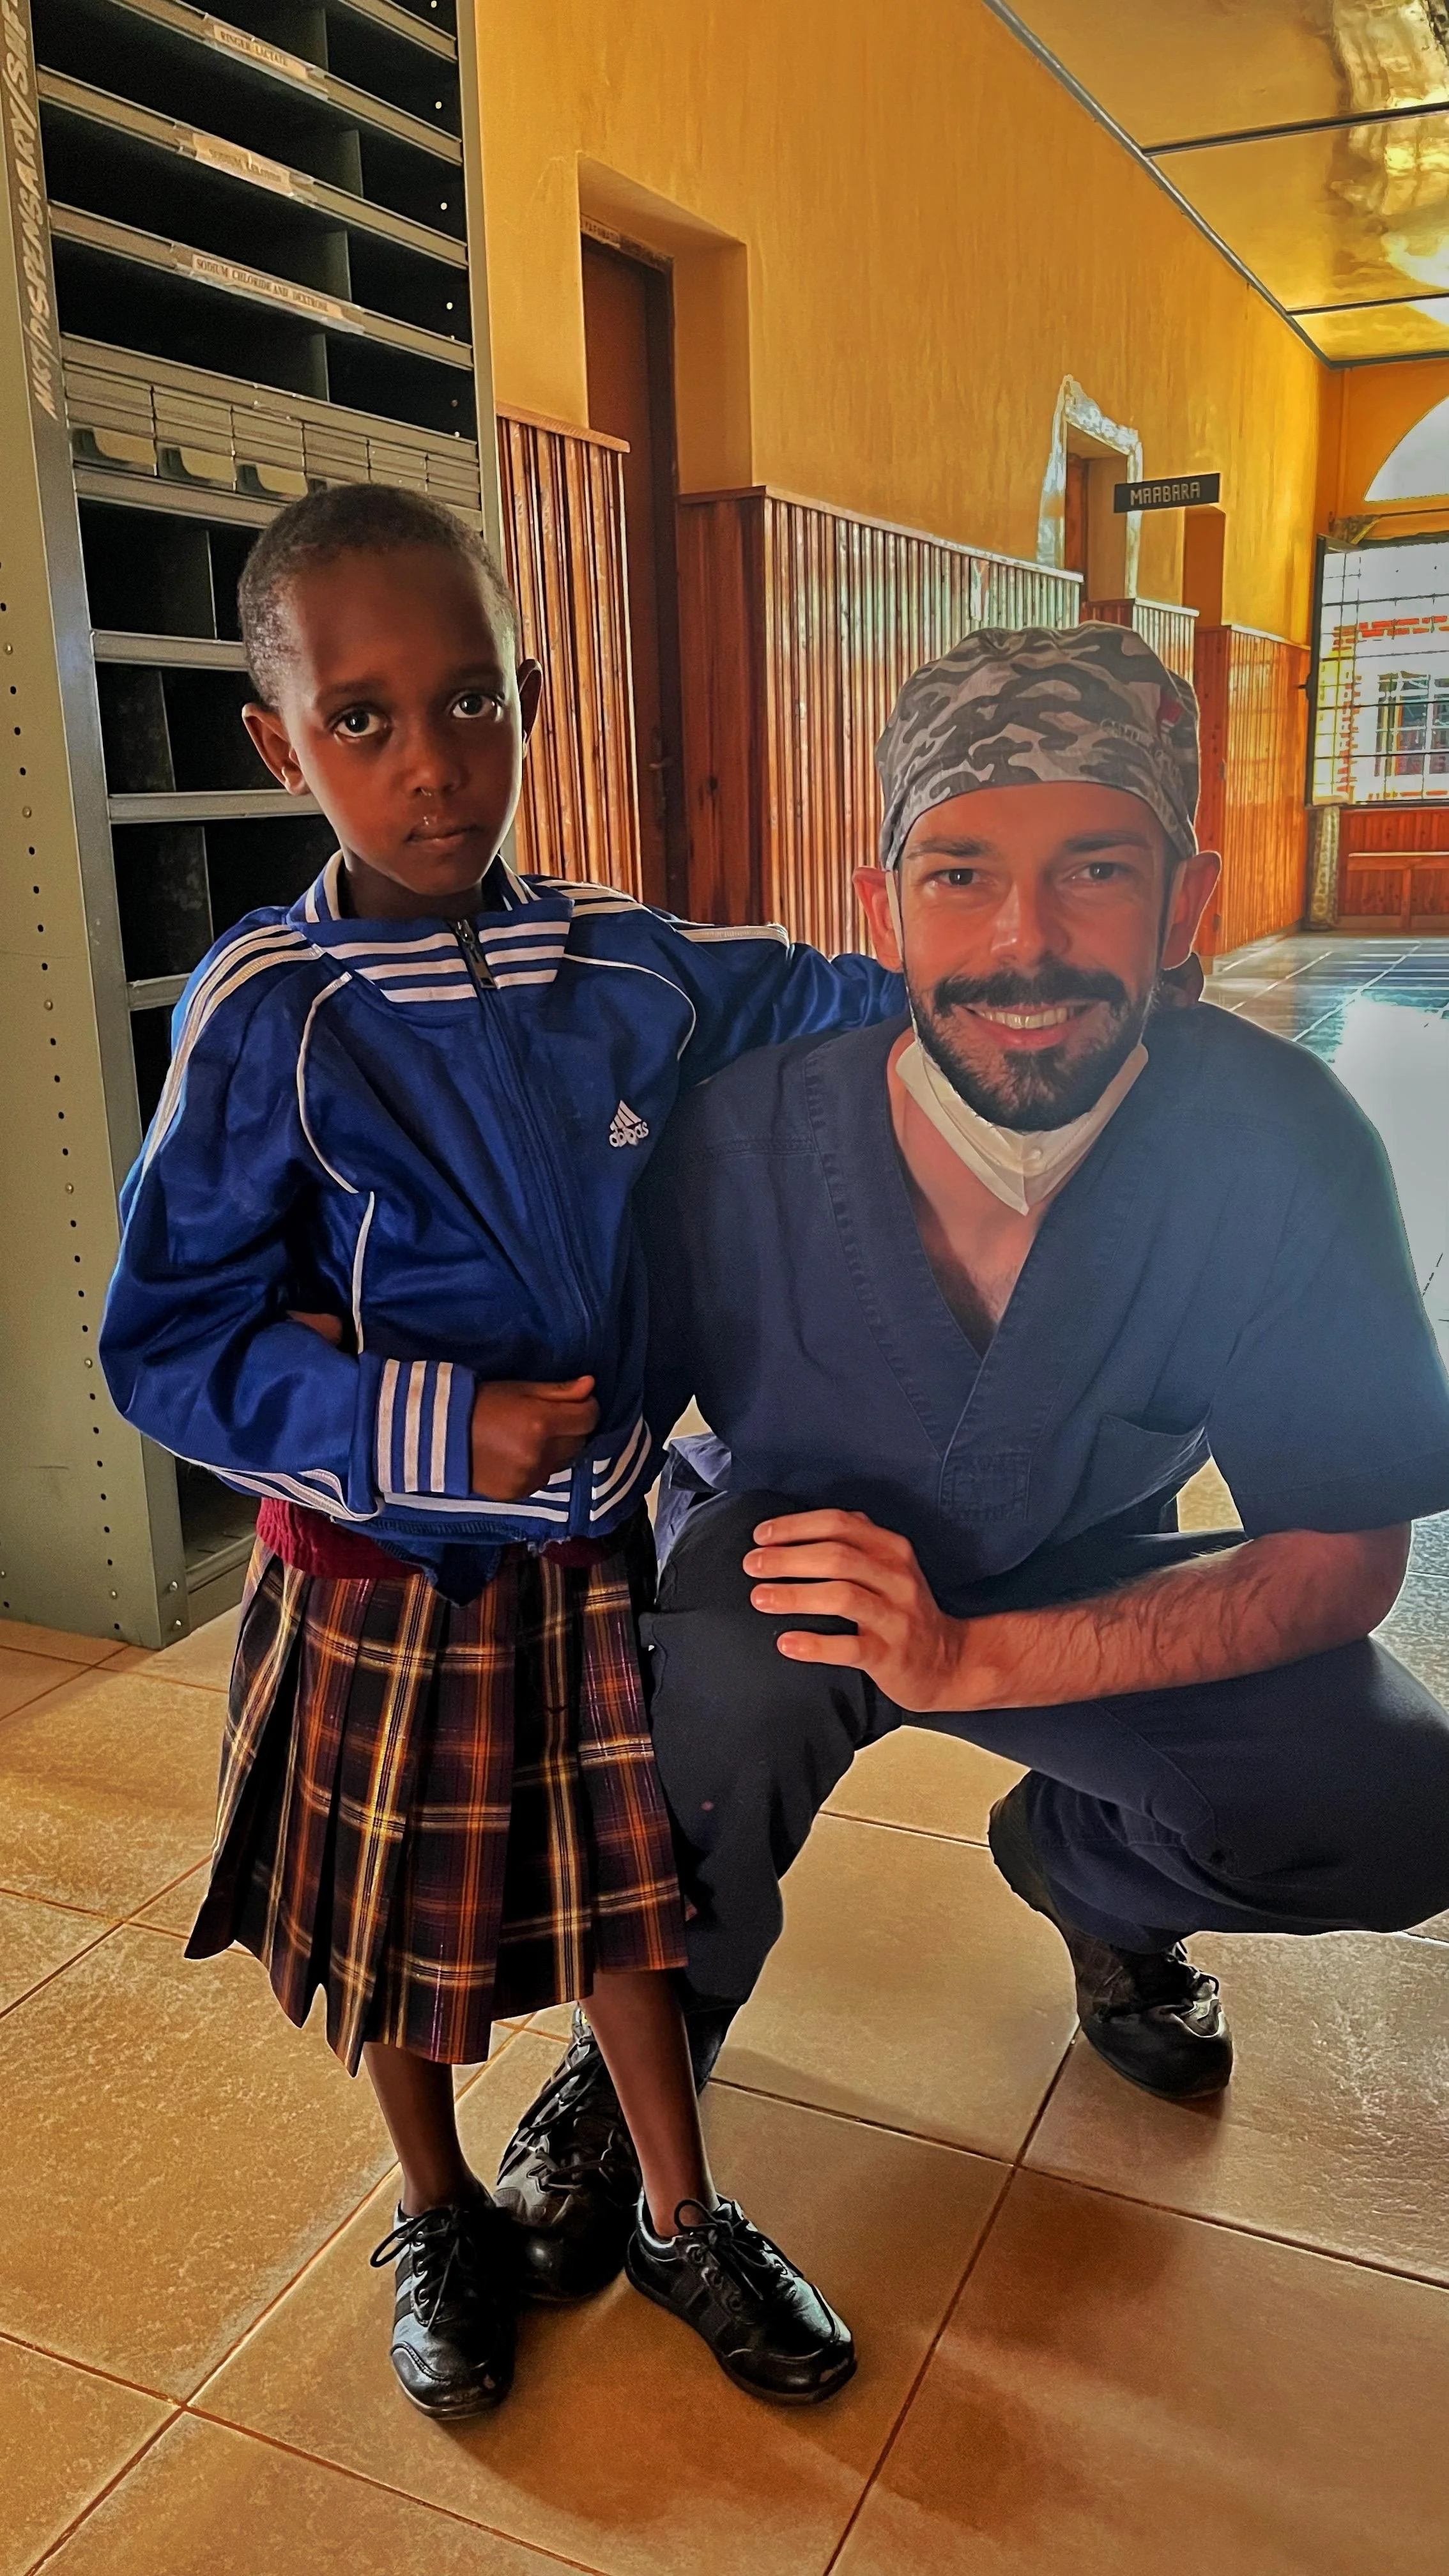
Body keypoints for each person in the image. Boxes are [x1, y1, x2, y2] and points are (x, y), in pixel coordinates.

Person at [494, 623, 1449, 2291]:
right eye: (958, 875)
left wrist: (970, 1654)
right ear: (881, 913)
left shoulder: (1278, 1148)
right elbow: (585, 1428)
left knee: (1397, 1808)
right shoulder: (737, 1143)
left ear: (1183, 906)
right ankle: (637, 2054)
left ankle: (1088, 1882)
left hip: (1071, 1572)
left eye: (1091, 868)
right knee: (689, 1705)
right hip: (795, 1555)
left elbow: (1334, 1559)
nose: (1023, 942)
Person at [100, 482, 903, 2416]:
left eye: (472, 702)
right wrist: (430, 1419)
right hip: (381, 1578)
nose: (434, 766)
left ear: (535, 697)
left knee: (632, 1900)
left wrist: (996, 999)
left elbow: (811, 992)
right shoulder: (269, 1017)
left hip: (586, 1564)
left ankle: (676, 2217)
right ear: (276, 743)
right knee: (394, 1933)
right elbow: (164, 1347)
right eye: (362, 719)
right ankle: (440, 2202)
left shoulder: (618, 964)